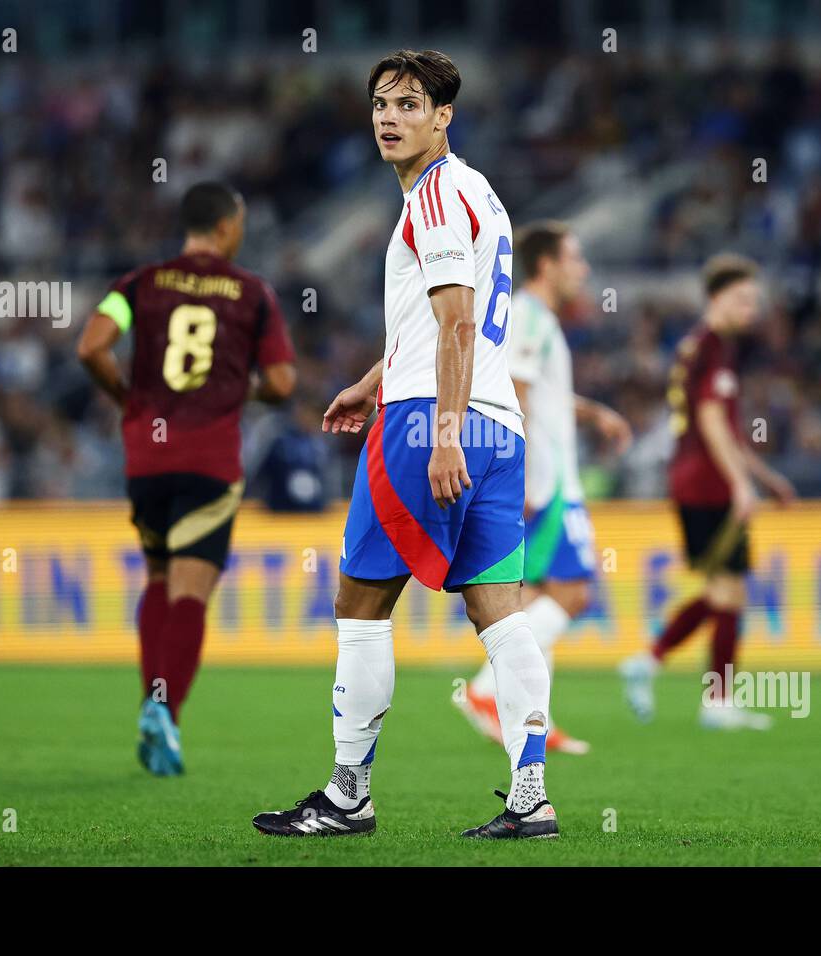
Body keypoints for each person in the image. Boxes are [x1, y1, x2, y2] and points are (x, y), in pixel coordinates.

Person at [252, 49, 557, 839]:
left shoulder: (434, 197)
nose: (391, 117)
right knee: (500, 611)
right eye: (382, 103)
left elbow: (457, 322)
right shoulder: (480, 196)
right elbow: (448, 322)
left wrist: (440, 431)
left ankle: (348, 796)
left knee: (361, 602)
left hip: (435, 423)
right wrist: (374, 377)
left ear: (443, 116)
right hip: (498, 424)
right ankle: (532, 797)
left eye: (411, 104)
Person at [76, 181, 296, 775]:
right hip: (208, 459)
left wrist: (128, 398)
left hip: (146, 460)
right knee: (190, 593)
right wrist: (239, 390)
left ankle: (155, 707)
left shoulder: (139, 283)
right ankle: (165, 714)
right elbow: (281, 383)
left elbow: (91, 347)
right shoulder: (252, 294)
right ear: (227, 227)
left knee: (157, 578)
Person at [457, 220, 631, 756]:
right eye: (574, 259)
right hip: (547, 481)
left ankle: (534, 718)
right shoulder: (530, 314)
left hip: (537, 475)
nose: (583, 270)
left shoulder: (530, 316)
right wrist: (528, 473)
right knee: (573, 594)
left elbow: (540, 391)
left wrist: (591, 412)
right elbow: (517, 389)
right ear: (547, 265)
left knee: (530, 599)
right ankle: (485, 692)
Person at [620, 254, 794, 729]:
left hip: (695, 479)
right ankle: (713, 700)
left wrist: (764, 476)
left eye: (755, 301)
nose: (751, 309)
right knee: (730, 590)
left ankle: (653, 662)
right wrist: (741, 484)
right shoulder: (713, 346)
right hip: (708, 483)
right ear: (716, 298)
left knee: (724, 591)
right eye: (742, 299)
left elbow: (727, 430)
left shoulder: (698, 347)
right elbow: (713, 421)